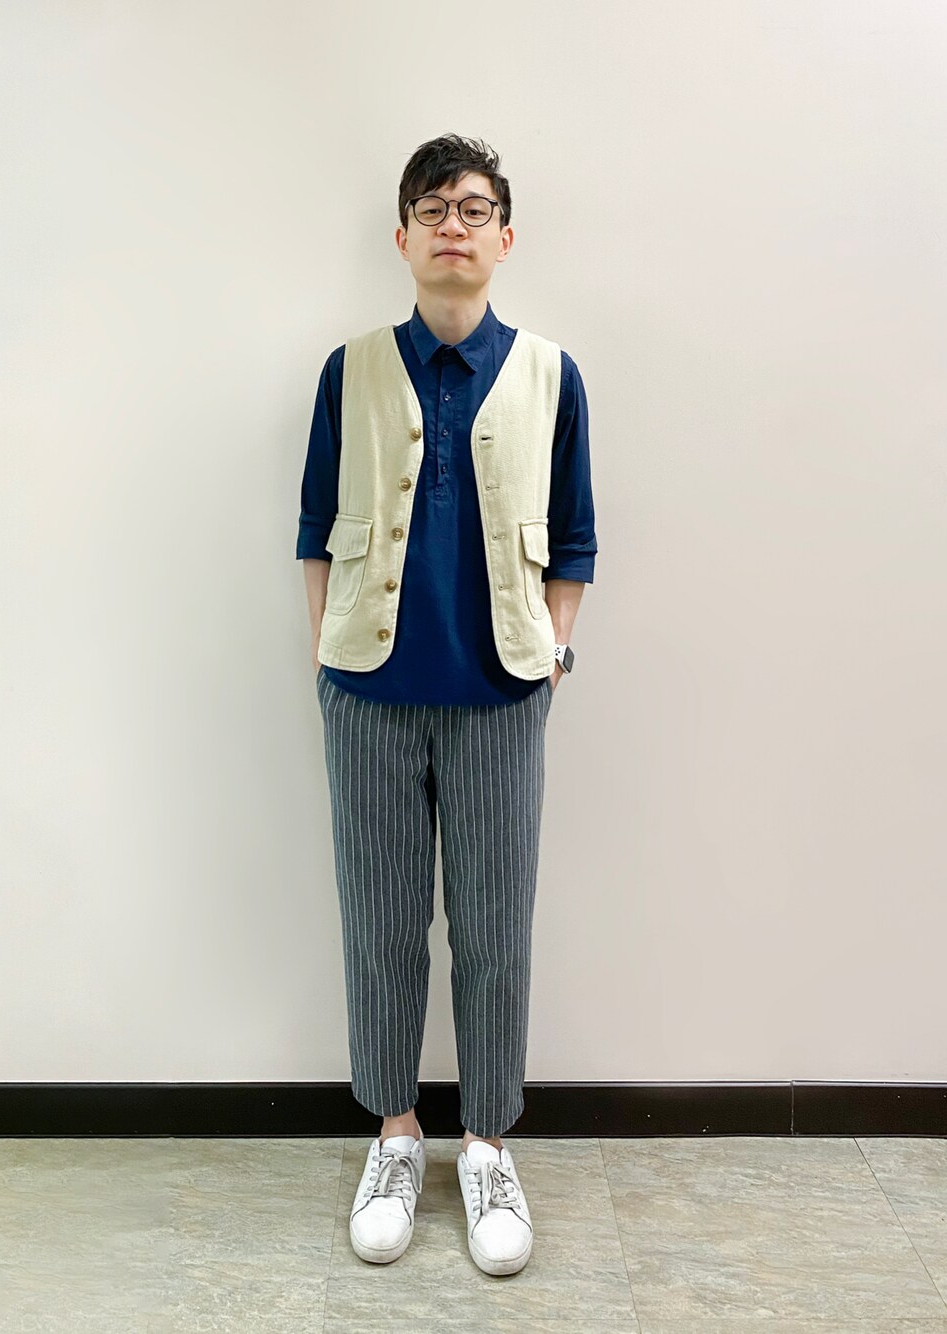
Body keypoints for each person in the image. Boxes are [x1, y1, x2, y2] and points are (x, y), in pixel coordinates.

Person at [296, 133, 597, 1276]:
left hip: (501, 696)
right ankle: (394, 1134)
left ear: (504, 236)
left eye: (473, 208)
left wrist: (553, 653)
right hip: (368, 697)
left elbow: (575, 538)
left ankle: (485, 1144)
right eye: (433, 208)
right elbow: (314, 526)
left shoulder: (551, 373)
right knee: (379, 925)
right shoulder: (351, 369)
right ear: (403, 236)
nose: (453, 225)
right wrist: (325, 659)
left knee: (493, 929)